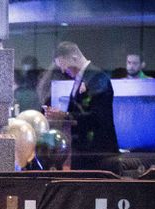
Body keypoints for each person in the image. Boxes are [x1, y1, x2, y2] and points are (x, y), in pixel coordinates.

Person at [45, 41, 118, 170]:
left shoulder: (98, 77)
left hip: (98, 155)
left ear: (74, 57)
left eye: (64, 66)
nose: (62, 70)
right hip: (84, 153)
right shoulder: (81, 79)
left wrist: (66, 115)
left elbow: (99, 117)